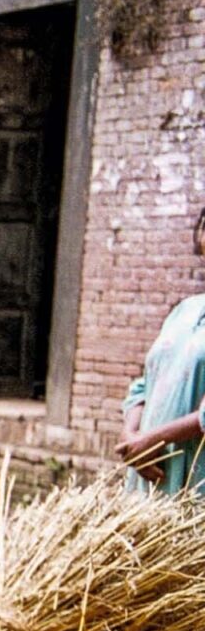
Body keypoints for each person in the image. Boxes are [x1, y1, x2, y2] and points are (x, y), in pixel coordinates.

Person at [115, 206, 205, 494]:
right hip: (151, 477)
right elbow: (143, 386)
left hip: (194, 483)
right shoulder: (184, 311)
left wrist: (155, 438)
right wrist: (131, 438)